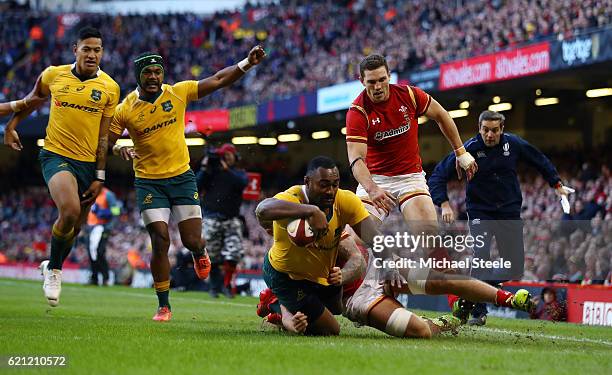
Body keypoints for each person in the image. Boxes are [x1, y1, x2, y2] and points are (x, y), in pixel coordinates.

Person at [255, 156, 534, 336]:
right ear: (307, 184)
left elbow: (364, 249)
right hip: (355, 299)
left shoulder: (343, 208)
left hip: (371, 271)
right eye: (324, 185)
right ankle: (438, 326)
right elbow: (264, 208)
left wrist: (388, 264)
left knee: (440, 278)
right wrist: (308, 213)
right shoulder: (290, 208)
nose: (330, 191)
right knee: (417, 332)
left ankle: (507, 298)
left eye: (335, 184)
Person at [108, 46, 266, 321]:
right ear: (138, 76)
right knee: (159, 239)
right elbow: (106, 142)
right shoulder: (125, 109)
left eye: (158, 71)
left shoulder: (177, 92)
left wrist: (246, 64)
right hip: (148, 181)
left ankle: (199, 251)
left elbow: (217, 80)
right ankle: (163, 305)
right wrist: (117, 149)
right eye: (148, 72)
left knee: (191, 239)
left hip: (181, 178)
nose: (154, 77)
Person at [3, 27, 121, 307]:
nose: (92, 54)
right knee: (69, 211)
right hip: (56, 155)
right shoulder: (53, 74)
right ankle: (55, 271)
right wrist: (11, 126)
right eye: (87, 48)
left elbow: (104, 136)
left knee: (75, 228)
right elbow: (32, 100)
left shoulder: (110, 88)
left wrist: (100, 176)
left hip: (89, 164)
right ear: (75, 49)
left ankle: (51, 264)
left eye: (97, 49)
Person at [428, 110, 574, 325]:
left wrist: (556, 183)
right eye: (485, 130)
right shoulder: (468, 149)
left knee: (514, 267)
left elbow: (538, 159)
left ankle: (468, 293)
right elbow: (438, 175)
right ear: (479, 129)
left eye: (494, 130)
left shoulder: (513, 144)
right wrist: (444, 203)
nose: (489, 135)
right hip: (480, 212)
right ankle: (478, 312)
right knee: (481, 257)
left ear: (502, 130)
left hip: (509, 212)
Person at [345, 54, 477, 235]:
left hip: (410, 177)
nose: (377, 87)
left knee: (429, 237)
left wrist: (460, 152)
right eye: (371, 82)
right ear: (362, 81)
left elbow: (441, 114)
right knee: (353, 239)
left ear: (389, 76)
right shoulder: (357, 111)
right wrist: (372, 189)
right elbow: (356, 159)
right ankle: (384, 260)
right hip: (375, 179)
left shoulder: (409, 95)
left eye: (382, 79)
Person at [196, 143, 248, 298]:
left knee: (234, 253)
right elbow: (197, 186)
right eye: (223, 156)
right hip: (212, 217)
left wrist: (226, 169)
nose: (225, 159)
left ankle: (226, 285)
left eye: (228, 156)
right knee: (212, 255)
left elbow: (242, 184)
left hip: (231, 219)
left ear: (235, 157)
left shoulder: (239, 173)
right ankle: (214, 287)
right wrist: (205, 168)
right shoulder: (211, 172)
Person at [86, 186, 120, 286]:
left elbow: (116, 211)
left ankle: (106, 278)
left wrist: (108, 226)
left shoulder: (108, 195)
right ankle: (94, 278)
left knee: (99, 252)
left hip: (102, 227)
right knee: (91, 252)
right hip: (91, 227)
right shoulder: (90, 194)